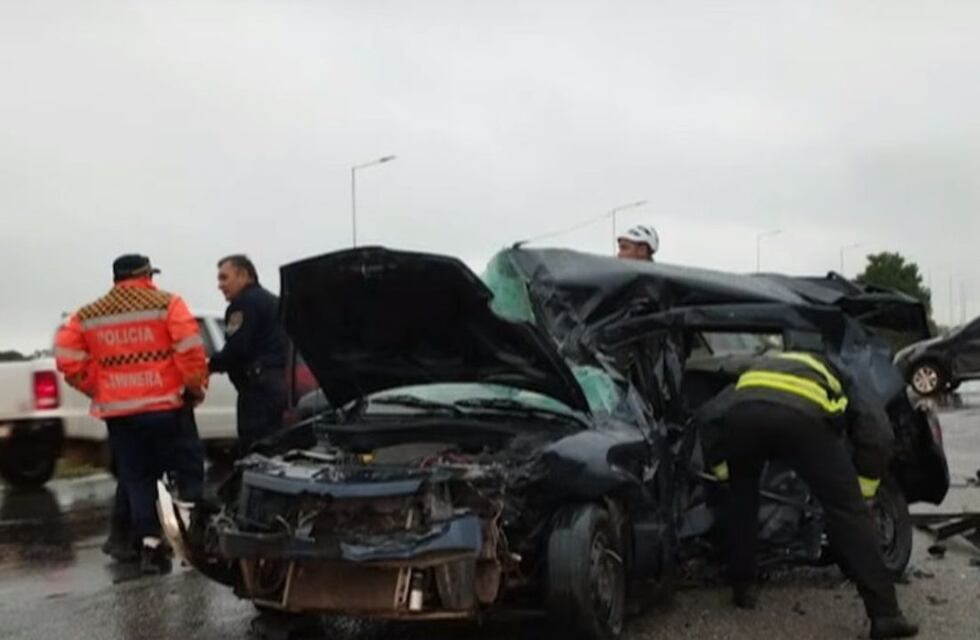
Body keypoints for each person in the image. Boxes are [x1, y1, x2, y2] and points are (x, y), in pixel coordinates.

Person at [697, 348, 918, 639]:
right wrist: (864, 489)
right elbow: (877, 432)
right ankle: (886, 615)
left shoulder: (759, 369)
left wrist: (725, 472)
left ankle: (743, 588)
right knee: (849, 514)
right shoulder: (843, 372)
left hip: (744, 419)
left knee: (742, 505)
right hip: (802, 420)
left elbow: (709, 415)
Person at [54, 254, 208, 574]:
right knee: (187, 468)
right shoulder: (167, 304)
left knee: (137, 478)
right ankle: (195, 537)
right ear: (146, 275)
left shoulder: (89, 314)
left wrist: (97, 386)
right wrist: (194, 388)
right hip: (167, 406)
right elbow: (190, 350)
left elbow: (67, 357)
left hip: (120, 412)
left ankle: (150, 546)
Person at [208, 254, 289, 454]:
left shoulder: (243, 305)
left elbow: (237, 349)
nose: (220, 285)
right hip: (281, 386)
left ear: (244, 275)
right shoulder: (274, 302)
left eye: (224, 278)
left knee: (255, 450)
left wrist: (207, 366)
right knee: (277, 448)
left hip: (258, 391)